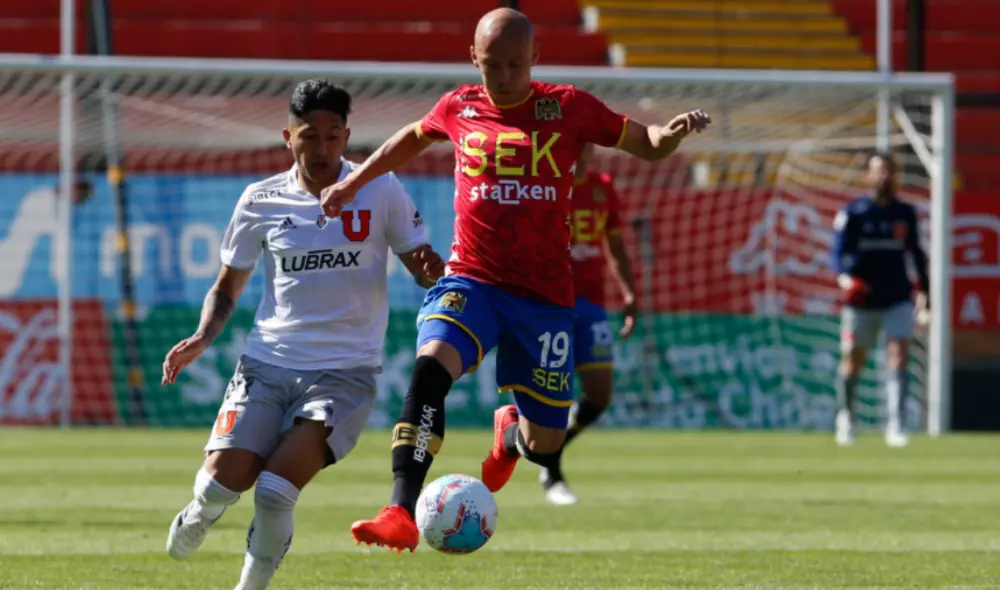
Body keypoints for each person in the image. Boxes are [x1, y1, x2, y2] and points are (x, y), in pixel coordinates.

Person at [320, 8, 710, 552]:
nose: (502, 78)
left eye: (513, 66)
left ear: (534, 59)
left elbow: (645, 141)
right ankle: (399, 509)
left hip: (545, 299)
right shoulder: (459, 106)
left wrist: (671, 132)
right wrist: (354, 182)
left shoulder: (569, 107)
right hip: (472, 280)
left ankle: (509, 434)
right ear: (473, 58)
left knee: (543, 442)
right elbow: (412, 137)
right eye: (491, 66)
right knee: (431, 366)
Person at [160, 79, 444, 589]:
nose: (322, 149)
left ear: (348, 136)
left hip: (344, 373)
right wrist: (204, 336)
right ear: (287, 137)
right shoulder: (260, 200)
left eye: (333, 136)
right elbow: (227, 288)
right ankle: (201, 512)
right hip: (266, 364)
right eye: (309, 136)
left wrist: (427, 269)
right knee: (224, 484)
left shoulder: (379, 187)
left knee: (273, 490)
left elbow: (419, 262)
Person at [540, 143, 637, 505]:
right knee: (554, 393)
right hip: (550, 304)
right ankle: (551, 471)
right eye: (574, 145)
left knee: (599, 394)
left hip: (592, 303)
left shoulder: (602, 186)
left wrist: (630, 293)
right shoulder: (546, 186)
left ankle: (551, 453)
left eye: (586, 146)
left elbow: (616, 245)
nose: (580, 153)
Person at [831, 152, 929, 448]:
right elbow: (837, 253)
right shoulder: (854, 212)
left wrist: (925, 291)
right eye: (878, 171)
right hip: (861, 298)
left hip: (897, 296)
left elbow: (916, 253)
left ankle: (896, 426)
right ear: (868, 176)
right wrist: (844, 277)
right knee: (853, 361)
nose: (883, 177)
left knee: (899, 354)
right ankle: (847, 418)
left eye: (888, 171)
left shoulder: (905, 213)